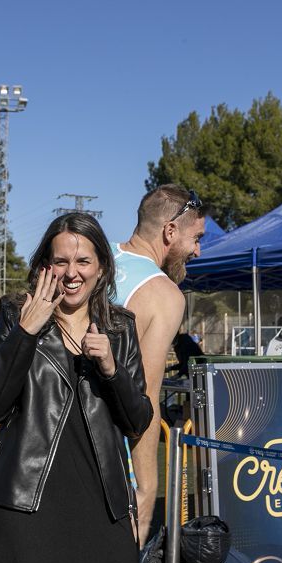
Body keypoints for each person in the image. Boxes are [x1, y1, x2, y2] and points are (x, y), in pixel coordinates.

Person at [0, 212, 152, 563]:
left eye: (83, 261)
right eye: (62, 262)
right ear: (45, 267)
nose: (72, 273)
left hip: (104, 511)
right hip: (30, 511)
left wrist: (110, 368)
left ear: (102, 266)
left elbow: (137, 420)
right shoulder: (18, 313)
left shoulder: (120, 327)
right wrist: (26, 331)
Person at [111, 184, 205, 543]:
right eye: (196, 238)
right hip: (104, 459)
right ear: (170, 231)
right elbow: (143, 398)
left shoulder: (91, 260)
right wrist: (147, 488)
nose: (198, 250)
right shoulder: (164, 293)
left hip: (41, 445)